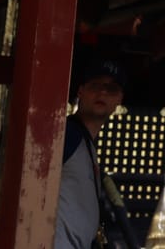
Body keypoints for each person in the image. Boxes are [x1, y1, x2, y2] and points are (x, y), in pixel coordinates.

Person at [57, 61, 140, 249]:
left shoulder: (87, 147)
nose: (102, 92)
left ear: (119, 99)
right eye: (95, 85)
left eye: (111, 89)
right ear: (80, 91)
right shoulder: (67, 134)